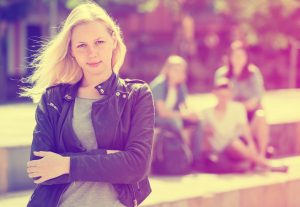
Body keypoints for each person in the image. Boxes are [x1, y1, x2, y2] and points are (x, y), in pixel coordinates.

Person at [21, 2, 154, 207]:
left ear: (113, 42)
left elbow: (137, 166)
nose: (92, 52)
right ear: (72, 51)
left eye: (99, 42)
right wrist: (110, 158)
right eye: (82, 45)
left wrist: (65, 164)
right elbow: (40, 170)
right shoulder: (53, 99)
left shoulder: (136, 96)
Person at [201, 78, 288, 173]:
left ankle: (260, 160)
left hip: (239, 144)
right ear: (214, 93)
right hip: (222, 150)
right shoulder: (207, 113)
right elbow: (206, 138)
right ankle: (266, 164)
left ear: (230, 94)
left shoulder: (238, 108)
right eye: (221, 95)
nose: (224, 97)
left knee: (259, 117)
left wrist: (251, 144)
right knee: (234, 144)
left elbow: (245, 128)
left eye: (226, 94)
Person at [215, 40, 270, 158]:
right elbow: (221, 99)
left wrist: (240, 106)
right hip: (231, 117)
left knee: (261, 115)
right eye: (235, 55)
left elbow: (257, 98)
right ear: (230, 57)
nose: (238, 58)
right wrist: (240, 107)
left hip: (250, 115)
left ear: (246, 57)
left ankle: (261, 155)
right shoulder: (221, 74)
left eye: (242, 55)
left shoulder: (253, 73)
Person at [150, 55, 202, 165]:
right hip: (156, 119)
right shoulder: (158, 85)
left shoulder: (180, 87)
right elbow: (162, 112)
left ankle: (196, 158)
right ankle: (183, 154)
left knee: (198, 121)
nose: (179, 73)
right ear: (168, 70)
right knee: (175, 121)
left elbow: (185, 106)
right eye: (176, 70)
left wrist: (191, 114)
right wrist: (183, 115)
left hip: (174, 117)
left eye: (181, 71)